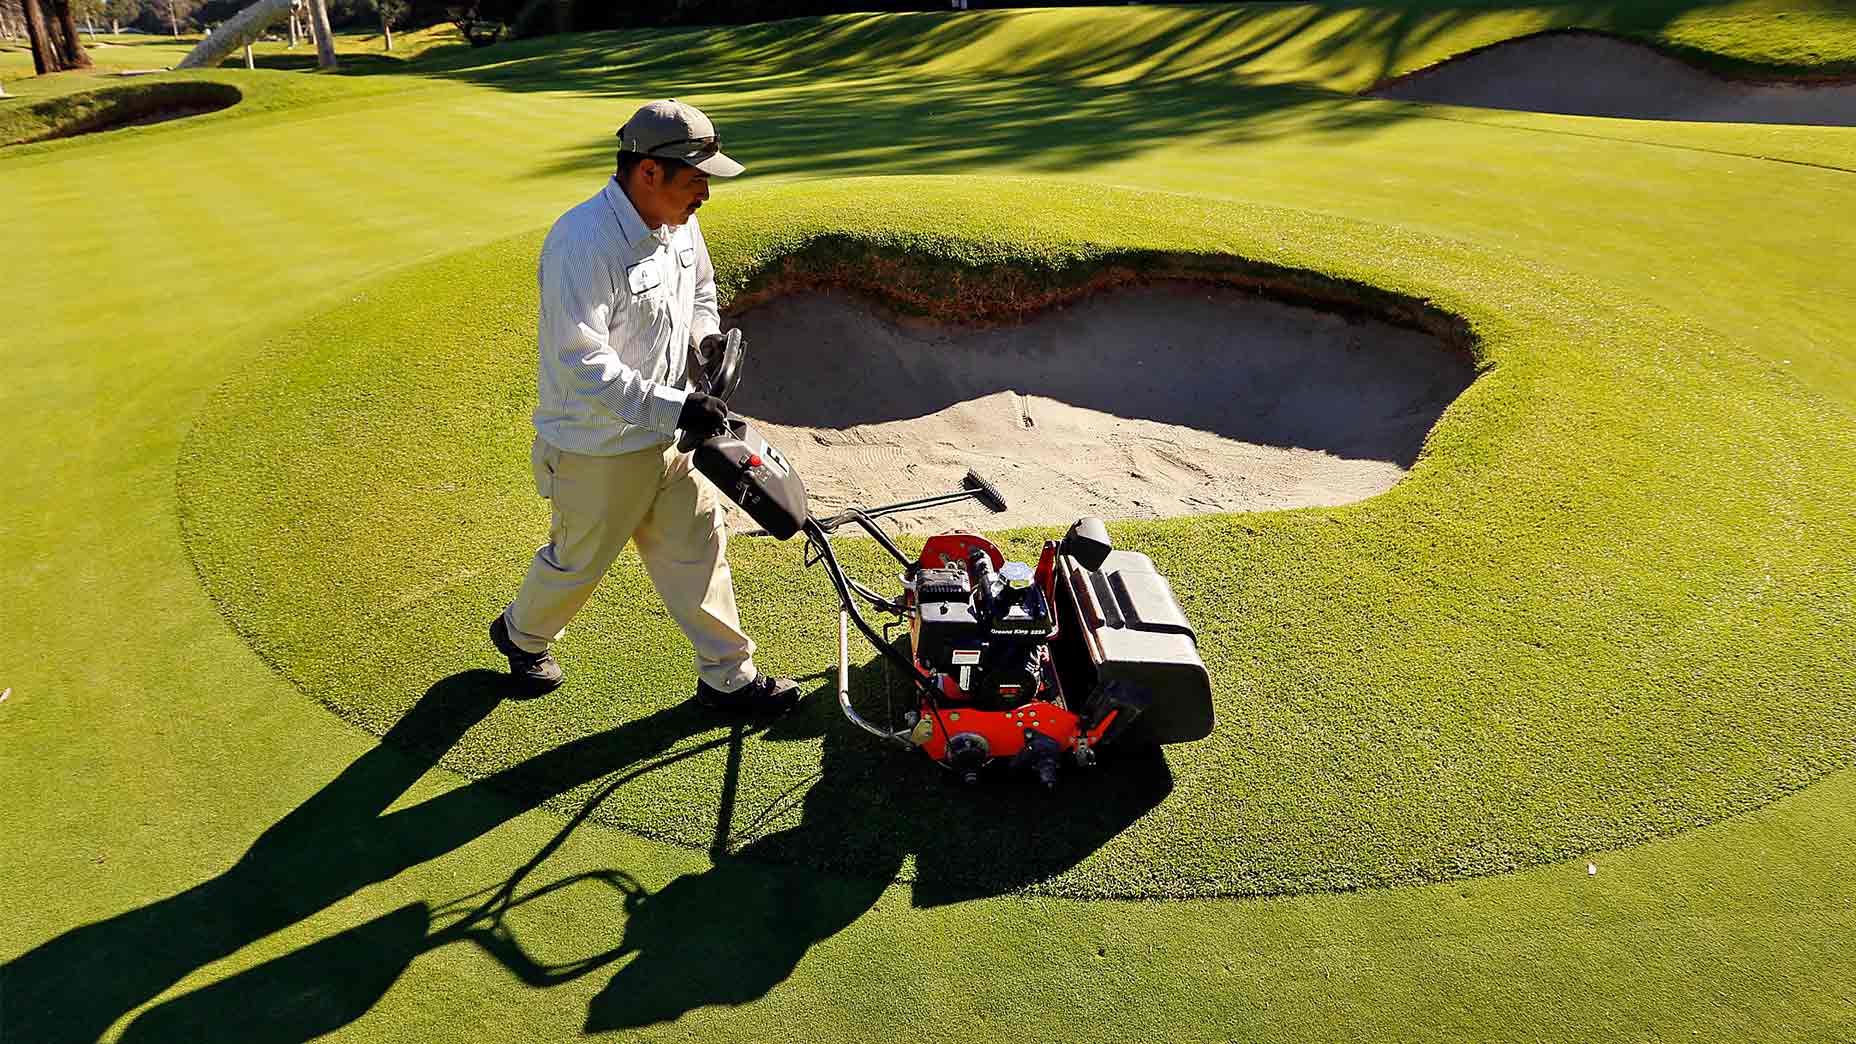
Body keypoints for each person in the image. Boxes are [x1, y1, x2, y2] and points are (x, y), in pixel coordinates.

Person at [489, 99, 799, 715]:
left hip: (673, 436)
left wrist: (706, 339)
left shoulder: (679, 222)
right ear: (649, 171)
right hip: (598, 445)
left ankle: (729, 677)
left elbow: (702, 291)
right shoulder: (582, 242)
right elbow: (582, 362)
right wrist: (677, 408)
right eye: (696, 180)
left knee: (700, 549)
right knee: (579, 563)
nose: (704, 195)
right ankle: (521, 634)